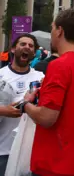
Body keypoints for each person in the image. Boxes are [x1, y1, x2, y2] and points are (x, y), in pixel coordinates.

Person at [22, 9, 74, 176]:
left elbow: (46, 118)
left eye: (52, 27)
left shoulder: (59, 66)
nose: (51, 33)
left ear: (60, 31)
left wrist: (26, 104)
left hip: (54, 161)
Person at [0, 34, 43, 174]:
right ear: (13, 49)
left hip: (30, 151)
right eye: (23, 44)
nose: (27, 48)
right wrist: (3, 110)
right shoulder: (1, 75)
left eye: (31, 46)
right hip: (4, 149)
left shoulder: (41, 77)